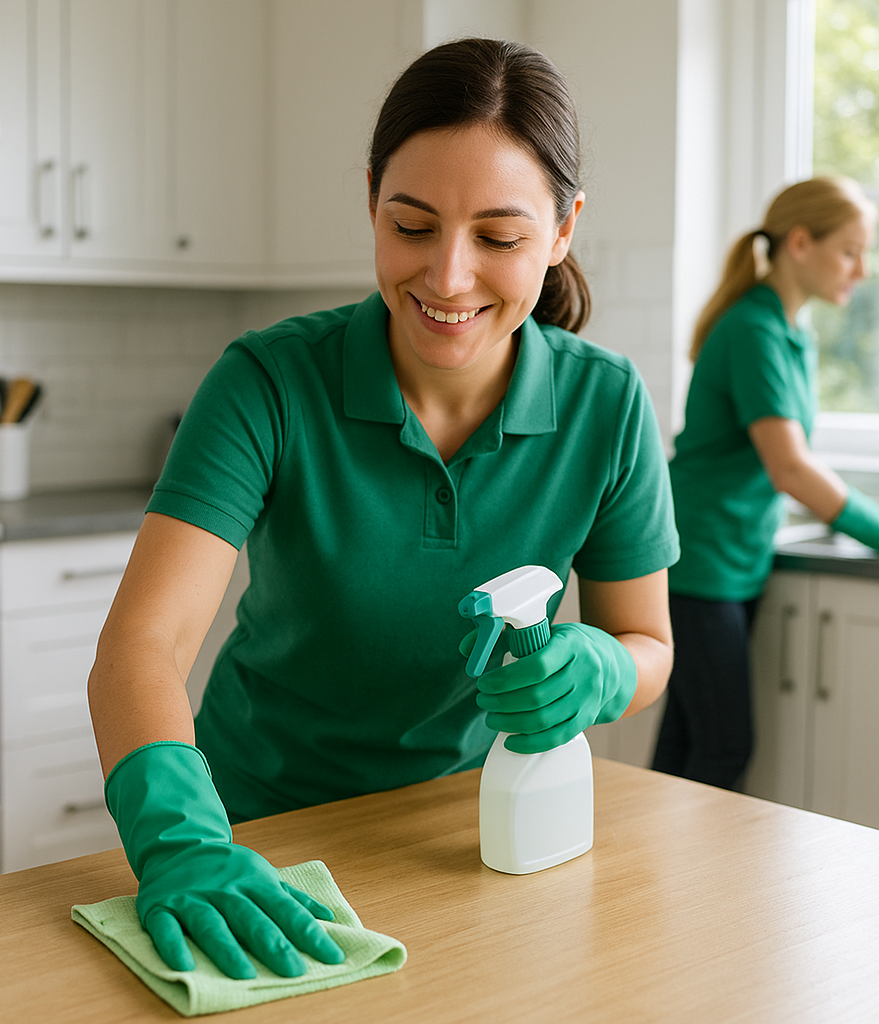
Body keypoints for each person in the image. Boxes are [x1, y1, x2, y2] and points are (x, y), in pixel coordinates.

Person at [88, 38, 679, 982]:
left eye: (498, 237)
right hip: (256, 836)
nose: (448, 278)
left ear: (563, 229)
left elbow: (648, 641)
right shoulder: (268, 382)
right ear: (370, 200)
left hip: (470, 834)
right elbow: (141, 648)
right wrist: (182, 842)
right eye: (412, 226)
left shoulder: (608, 405)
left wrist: (604, 669)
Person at [650, 175, 879, 792]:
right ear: (802, 243)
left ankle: (639, 883)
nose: (861, 270)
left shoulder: (786, 329)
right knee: (724, 748)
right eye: (850, 250)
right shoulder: (754, 329)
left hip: (727, 558)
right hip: (702, 561)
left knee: (686, 748)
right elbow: (790, 466)